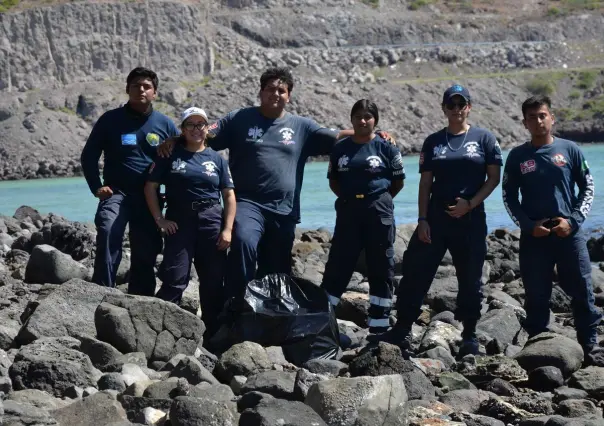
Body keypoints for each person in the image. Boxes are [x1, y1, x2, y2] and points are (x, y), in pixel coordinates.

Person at [159, 67, 395, 310]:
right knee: (244, 241)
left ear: (289, 96)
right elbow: (202, 133)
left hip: (285, 209)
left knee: (277, 268)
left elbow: (338, 136)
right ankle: (235, 305)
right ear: (261, 92)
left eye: (281, 90)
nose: (276, 94)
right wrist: (174, 140)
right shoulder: (239, 119)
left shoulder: (302, 126)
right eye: (270, 89)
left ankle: (268, 316)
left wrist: (374, 135)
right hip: (248, 203)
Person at [380, 84, 502, 357]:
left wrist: (469, 204)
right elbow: (425, 184)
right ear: (444, 108)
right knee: (414, 272)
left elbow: (493, 178)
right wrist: (422, 219)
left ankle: (469, 333)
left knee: (470, 278)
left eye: (462, 104)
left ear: (469, 107)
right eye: (451, 105)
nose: (456, 109)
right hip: (436, 218)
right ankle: (401, 329)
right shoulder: (433, 141)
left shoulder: (485, 139)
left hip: (469, 218)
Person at [502, 95, 602, 364]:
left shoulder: (570, 149)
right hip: (535, 236)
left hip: (568, 233)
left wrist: (574, 221)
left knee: (582, 289)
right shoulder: (517, 156)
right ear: (524, 123)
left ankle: (590, 346)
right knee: (536, 294)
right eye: (532, 117)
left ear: (552, 118)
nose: (538, 121)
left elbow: (588, 187)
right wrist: (527, 225)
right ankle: (538, 346)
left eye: (542, 115)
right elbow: (508, 195)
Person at [81, 67, 180, 295]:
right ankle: (102, 292)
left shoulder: (165, 125)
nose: (141, 90)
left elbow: (181, 160)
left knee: (146, 251)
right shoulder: (110, 120)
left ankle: (140, 300)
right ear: (127, 89)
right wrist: (96, 186)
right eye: (136, 86)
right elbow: (89, 156)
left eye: (147, 86)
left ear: (155, 93)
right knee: (107, 229)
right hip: (117, 193)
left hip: (149, 198)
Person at [144, 107, 236, 337]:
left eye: (200, 124)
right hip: (180, 221)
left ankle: (211, 336)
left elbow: (229, 195)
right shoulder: (169, 154)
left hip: (211, 221)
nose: (196, 129)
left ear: (207, 129)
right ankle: (160, 333)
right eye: (190, 125)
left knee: (213, 282)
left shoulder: (217, 159)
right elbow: (150, 187)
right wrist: (160, 220)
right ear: (183, 129)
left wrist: (227, 229)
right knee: (175, 278)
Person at [321, 100, 405, 333]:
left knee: (381, 264)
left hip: (379, 211)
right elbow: (334, 181)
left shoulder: (387, 147)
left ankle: (379, 324)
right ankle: (323, 320)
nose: (362, 121)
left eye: (367, 116)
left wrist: (378, 200)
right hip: (349, 210)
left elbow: (398, 182)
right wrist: (351, 198)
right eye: (358, 116)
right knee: (339, 263)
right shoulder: (340, 148)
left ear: (375, 120)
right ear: (352, 119)